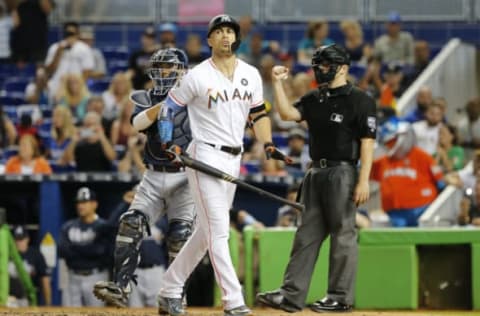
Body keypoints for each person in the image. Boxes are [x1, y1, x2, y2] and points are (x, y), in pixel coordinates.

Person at [156, 14, 289, 316]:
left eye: (230, 31)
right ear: (210, 40)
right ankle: (234, 301)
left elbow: (258, 115)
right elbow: (168, 109)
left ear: (236, 37)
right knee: (219, 232)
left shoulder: (251, 74)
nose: (226, 36)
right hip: (204, 156)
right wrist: (166, 142)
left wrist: (267, 144)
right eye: (220, 31)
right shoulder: (197, 75)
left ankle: (169, 289)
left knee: (206, 234)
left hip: (235, 157)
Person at [256, 44, 376, 313]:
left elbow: (368, 142)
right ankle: (290, 295)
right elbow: (288, 115)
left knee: (342, 234)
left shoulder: (361, 99)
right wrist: (277, 83)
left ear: (343, 68)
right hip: (315, 173)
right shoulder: (315, 98)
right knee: (305, 235)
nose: (321, 70)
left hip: (343, 171)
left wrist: (364, 180)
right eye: (318, 65)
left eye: (326, 65)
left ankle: (339, 297)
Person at [93, 48, 195, 308]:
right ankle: (121, 287)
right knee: (130, 223)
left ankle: (175, 297)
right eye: (160, 67)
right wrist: (165, 104)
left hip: (185, 177)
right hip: (153, 174)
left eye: (169, 67)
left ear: (182, 70)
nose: (164, 72)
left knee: (180, 236)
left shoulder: (196, 97)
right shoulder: (148, 97)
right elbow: (137, 124)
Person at [371, 118, 444, 227]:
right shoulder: (383, 161)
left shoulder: (422, 157)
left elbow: (441, 184)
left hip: (422, 211)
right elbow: (365, 173)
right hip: (395, 214)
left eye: (391, 141)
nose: (388, 146)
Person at [58, 187, 110, 307]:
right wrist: (89, 249)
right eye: (79, 202)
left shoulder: (102, 226)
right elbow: (63, 251)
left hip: (96, 276)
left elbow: (100, 251)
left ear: (94, 204)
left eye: (84, 202)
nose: (80, 206)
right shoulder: (68, 226)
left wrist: (75, 248)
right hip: (73, 276)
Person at [9, 225, 51, 306]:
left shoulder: (35, 255)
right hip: (9, 298)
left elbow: (45, 280)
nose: (19, 242)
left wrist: (48, 304)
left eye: (21, 239)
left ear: (27, 239)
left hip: (28, 298)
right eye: (16, 239)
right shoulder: (6, 254)